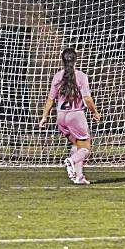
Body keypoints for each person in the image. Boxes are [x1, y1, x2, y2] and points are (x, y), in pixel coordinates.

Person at [38, 48, 102, 185]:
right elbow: (87, 99)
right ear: (75, 60)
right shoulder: (81, 76)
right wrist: (95, 112)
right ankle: (71, 161)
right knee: (85, 148)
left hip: (61, 117)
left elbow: (50, 99)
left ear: (62, 60)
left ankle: (79, 177)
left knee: (76, 144)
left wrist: (44, 116)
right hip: (76, 116)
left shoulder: (57, 76)